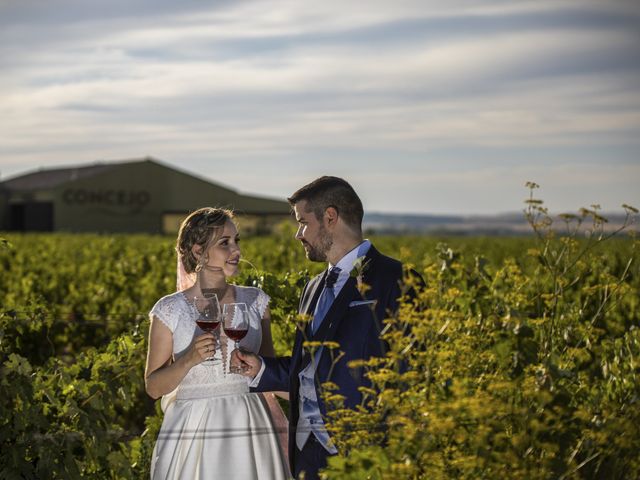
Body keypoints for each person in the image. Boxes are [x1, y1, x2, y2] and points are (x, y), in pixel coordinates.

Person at [231, 176, 422, 479]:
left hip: (363, 454)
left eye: (303, 222)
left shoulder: (395, 279)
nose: (298, 234)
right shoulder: (312, 288)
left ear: (330, 217)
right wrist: (261, 369)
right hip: (306, 452)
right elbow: (308, 367)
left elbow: (411, 373)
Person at [145, 207, 290, 479]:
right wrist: (188, 359)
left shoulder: (255, 301)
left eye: (237, 241)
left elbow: (271, 373)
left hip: (251, 425)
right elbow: (153, 387)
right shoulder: (170, 309)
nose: (236, 250)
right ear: (199, 252)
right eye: (225, 243)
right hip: (195, 430)